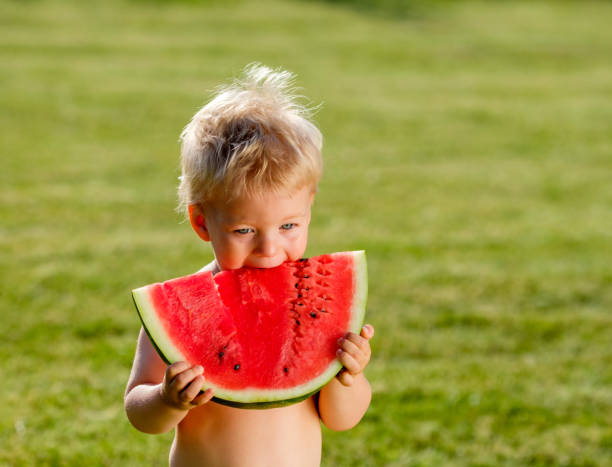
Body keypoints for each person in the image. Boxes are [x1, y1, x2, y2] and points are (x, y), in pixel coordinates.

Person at [124, 64, 375, 467]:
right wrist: (166, 399)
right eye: (244, 230)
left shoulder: (314, 310)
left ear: (309, 208)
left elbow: (341, 419)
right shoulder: (183, 307)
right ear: (202, 222)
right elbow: (139, 412)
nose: (269, 248)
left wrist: (350, 376)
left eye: (289, 225)